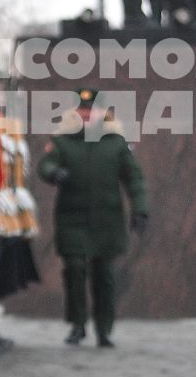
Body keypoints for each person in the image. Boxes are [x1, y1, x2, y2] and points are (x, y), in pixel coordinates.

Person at [36, 88, 149, 348]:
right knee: (74, 269)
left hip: (106, 219)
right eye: (82, 110)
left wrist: (140, 209)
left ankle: (104, 328)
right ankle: (77, 324)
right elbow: (46, 164)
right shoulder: (63, 141)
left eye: (92, 110)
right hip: (72, 217)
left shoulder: (116, 143)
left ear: (103, 113)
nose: (86, 115)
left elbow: (134, 178)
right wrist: (55, 173)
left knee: (104, 275)